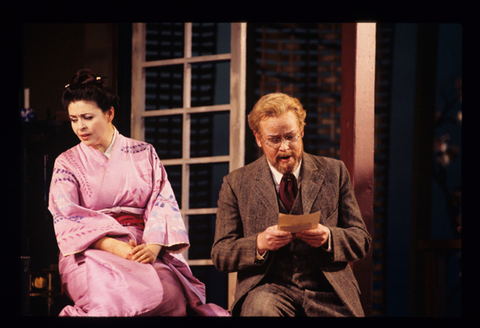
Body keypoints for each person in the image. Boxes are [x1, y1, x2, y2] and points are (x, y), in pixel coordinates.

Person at [48, 68, 229, 317]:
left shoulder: (144, 153)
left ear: (109, 113)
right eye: (74, 119)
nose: (80, 126)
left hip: (141, 245)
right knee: (111, 300)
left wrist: (154, 246)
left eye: (87, 117)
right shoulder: (66, 162)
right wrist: (113, 246)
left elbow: (162, 201)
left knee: (171, 299)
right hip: (90, 249)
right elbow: (66, 215)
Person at [211, 93, 372, 316]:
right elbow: (221, 254)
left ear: (302, 131)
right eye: (274, 140)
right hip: (269, 289)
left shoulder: (334, 172)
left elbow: (361, 240)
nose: (285, 147)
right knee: (260, 310)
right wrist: (260, 243)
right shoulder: (236, 184)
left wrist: (328, 237)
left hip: (328, 290)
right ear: (258, 138)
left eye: (291, 137)